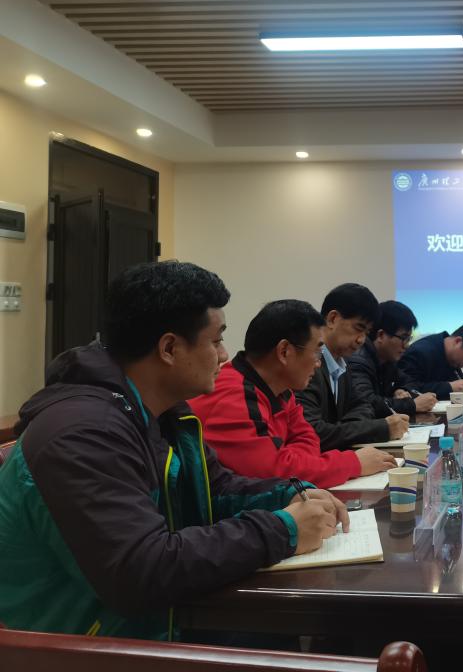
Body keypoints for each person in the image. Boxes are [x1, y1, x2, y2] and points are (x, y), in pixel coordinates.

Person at [0, 261, 348, 640]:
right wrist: (283, 529)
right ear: (169, 348)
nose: (225, 355)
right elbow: (140, 571)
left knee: (288, 631)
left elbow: (217, 489)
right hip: (87, 648)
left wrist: (289, 494)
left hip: (164, 622)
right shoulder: (81, 433)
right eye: (215, 340)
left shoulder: (163, 412)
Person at [189, 299, 396, 488]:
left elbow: (308, 438)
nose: (318, 363)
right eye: (317, 352)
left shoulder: (280, 388)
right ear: (284, 352)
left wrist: (290, 460)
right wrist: (354, 463)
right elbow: (276, 475)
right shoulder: (233, 396)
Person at [296, 284, 410, 450]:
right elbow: (314, 433)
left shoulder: (343, 363)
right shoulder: (307, 365)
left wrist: (342, 430)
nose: (361, 340)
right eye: (358, 328)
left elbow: (364, 405)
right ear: (332, 319)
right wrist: (381, 428)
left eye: (366, 332)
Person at [348, 300, 438, 419]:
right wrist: (412, 405)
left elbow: (410, 382)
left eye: (409, 339)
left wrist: (400, 390)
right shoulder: (358, 360)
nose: (406, 345)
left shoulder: (388, 360)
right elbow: (367, 403)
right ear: (381, 335)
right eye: (403, 338)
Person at [397, 322, 463, 399]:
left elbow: (456, 388)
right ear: (458, 341)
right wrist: (449, 387)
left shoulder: (453, 359)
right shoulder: (419, 352)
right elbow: (407, 388)